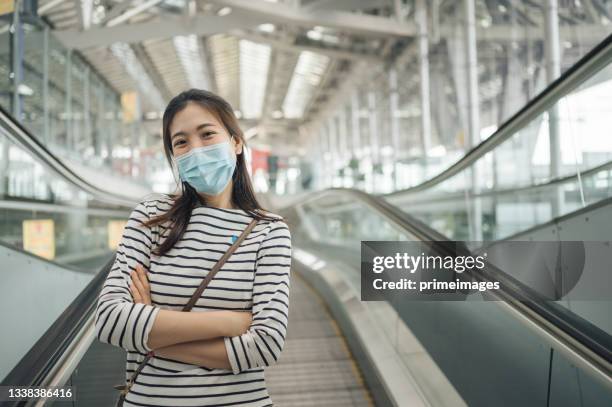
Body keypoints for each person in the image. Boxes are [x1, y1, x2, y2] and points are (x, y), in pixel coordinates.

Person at [95, 88, 292, 406]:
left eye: (207, 134)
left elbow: (267, 345)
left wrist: (151, 329)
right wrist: (230, 322)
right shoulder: (151, 216)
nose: (196, 149)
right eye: (181, 142)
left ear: (236, 143)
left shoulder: (270, 231)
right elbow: (108, 320)